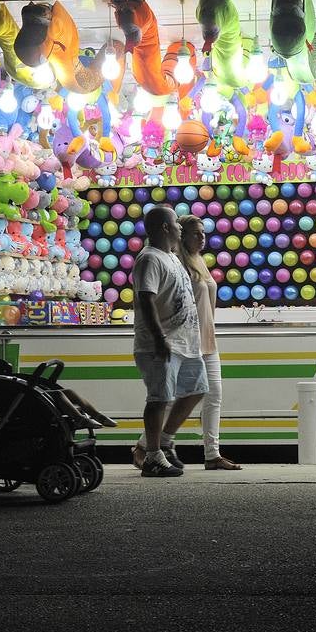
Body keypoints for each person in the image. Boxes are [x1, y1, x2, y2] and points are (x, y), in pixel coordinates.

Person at [133, 216, 241, 471]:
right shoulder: (166, 259)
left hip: (202, 337)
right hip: (177, 338)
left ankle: (210, 454)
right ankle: (149, 448)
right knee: (165, 397)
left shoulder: (196, 262)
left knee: (207, 393)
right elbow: (149, 299)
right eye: (194, 233)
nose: (201, 238)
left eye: (203, 233)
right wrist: (160, 337)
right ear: (176, 234)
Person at [133, 205, 208, 478]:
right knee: (159, 399)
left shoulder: (172, 257)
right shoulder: (149, 259)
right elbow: (145, 299)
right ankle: (152, 456)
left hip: (185, 343)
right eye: (176, 223)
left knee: (197, 389)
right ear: (165, 228)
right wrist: (159, 338)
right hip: (161, 344)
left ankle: (163, 443)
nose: (180, 227)